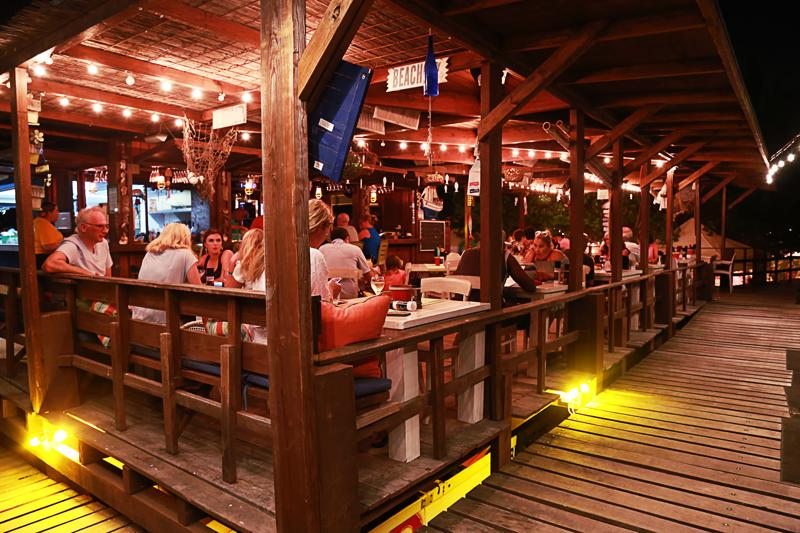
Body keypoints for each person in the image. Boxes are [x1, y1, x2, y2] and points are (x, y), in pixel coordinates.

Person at [131, 223, 201, 324]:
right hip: (164, 319)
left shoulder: (149, 253)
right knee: (195, 313)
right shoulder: (185, 254)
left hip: (140, 315)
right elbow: (198, 289)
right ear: (185, 238)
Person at [454, 231, 539, 303]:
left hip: (461, 309)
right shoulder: (504, 256)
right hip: (490, 311)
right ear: (502, 243)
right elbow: (530, 287)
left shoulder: (465, 253)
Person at [44, 206, 112, 276]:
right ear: (83, 227)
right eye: (100, 226)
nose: (105, 231)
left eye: (106, 226)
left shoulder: (103, 243)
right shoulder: (73, 245)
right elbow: (49, 264)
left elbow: (108, 276)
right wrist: (86, 273)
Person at [227, 228, 267, 343]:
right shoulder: (269, 261)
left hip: (253, 319)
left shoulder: (244, 264)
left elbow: (229, 290)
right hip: (269, 318)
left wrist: (232, 264)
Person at [319, 227, 372, 299]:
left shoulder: (322, 249)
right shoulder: (355, 249)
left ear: (331, 240)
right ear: (347, 238)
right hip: (350, 297)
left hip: (328, 295)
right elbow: (367, 275)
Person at [308, 199, 341, 301]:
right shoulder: (313, 256)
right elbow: (321, 304)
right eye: (328, 229)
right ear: (320, 227)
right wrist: (331, 290)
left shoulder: (279, 252)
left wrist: (325, 286)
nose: (327, 235)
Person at [33, 201, 63, 267]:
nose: (58, 213)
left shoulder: (38, 222)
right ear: (49, 213)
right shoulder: (42, 223)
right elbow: (47, 246)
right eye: (56, 211)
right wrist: (65, 244)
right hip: (43, 259)